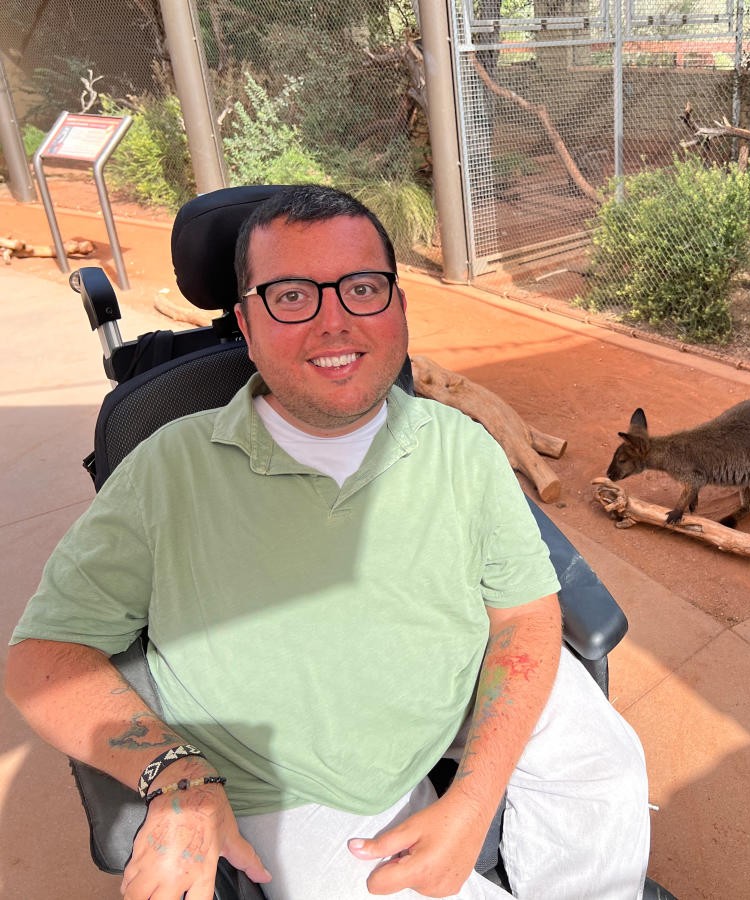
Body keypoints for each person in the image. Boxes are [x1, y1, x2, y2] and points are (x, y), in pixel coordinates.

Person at [5, 185, 650, 900]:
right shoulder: (166, 469)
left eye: (363, 288)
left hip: (458, 687)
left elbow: (524, 613)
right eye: (290, 296)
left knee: (606, 768)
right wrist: (177, 779)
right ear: (246, 325)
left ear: (398, 309)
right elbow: (42, 659)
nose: (334, 322)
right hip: (294, 777)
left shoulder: (461, 448)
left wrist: (473, 800)